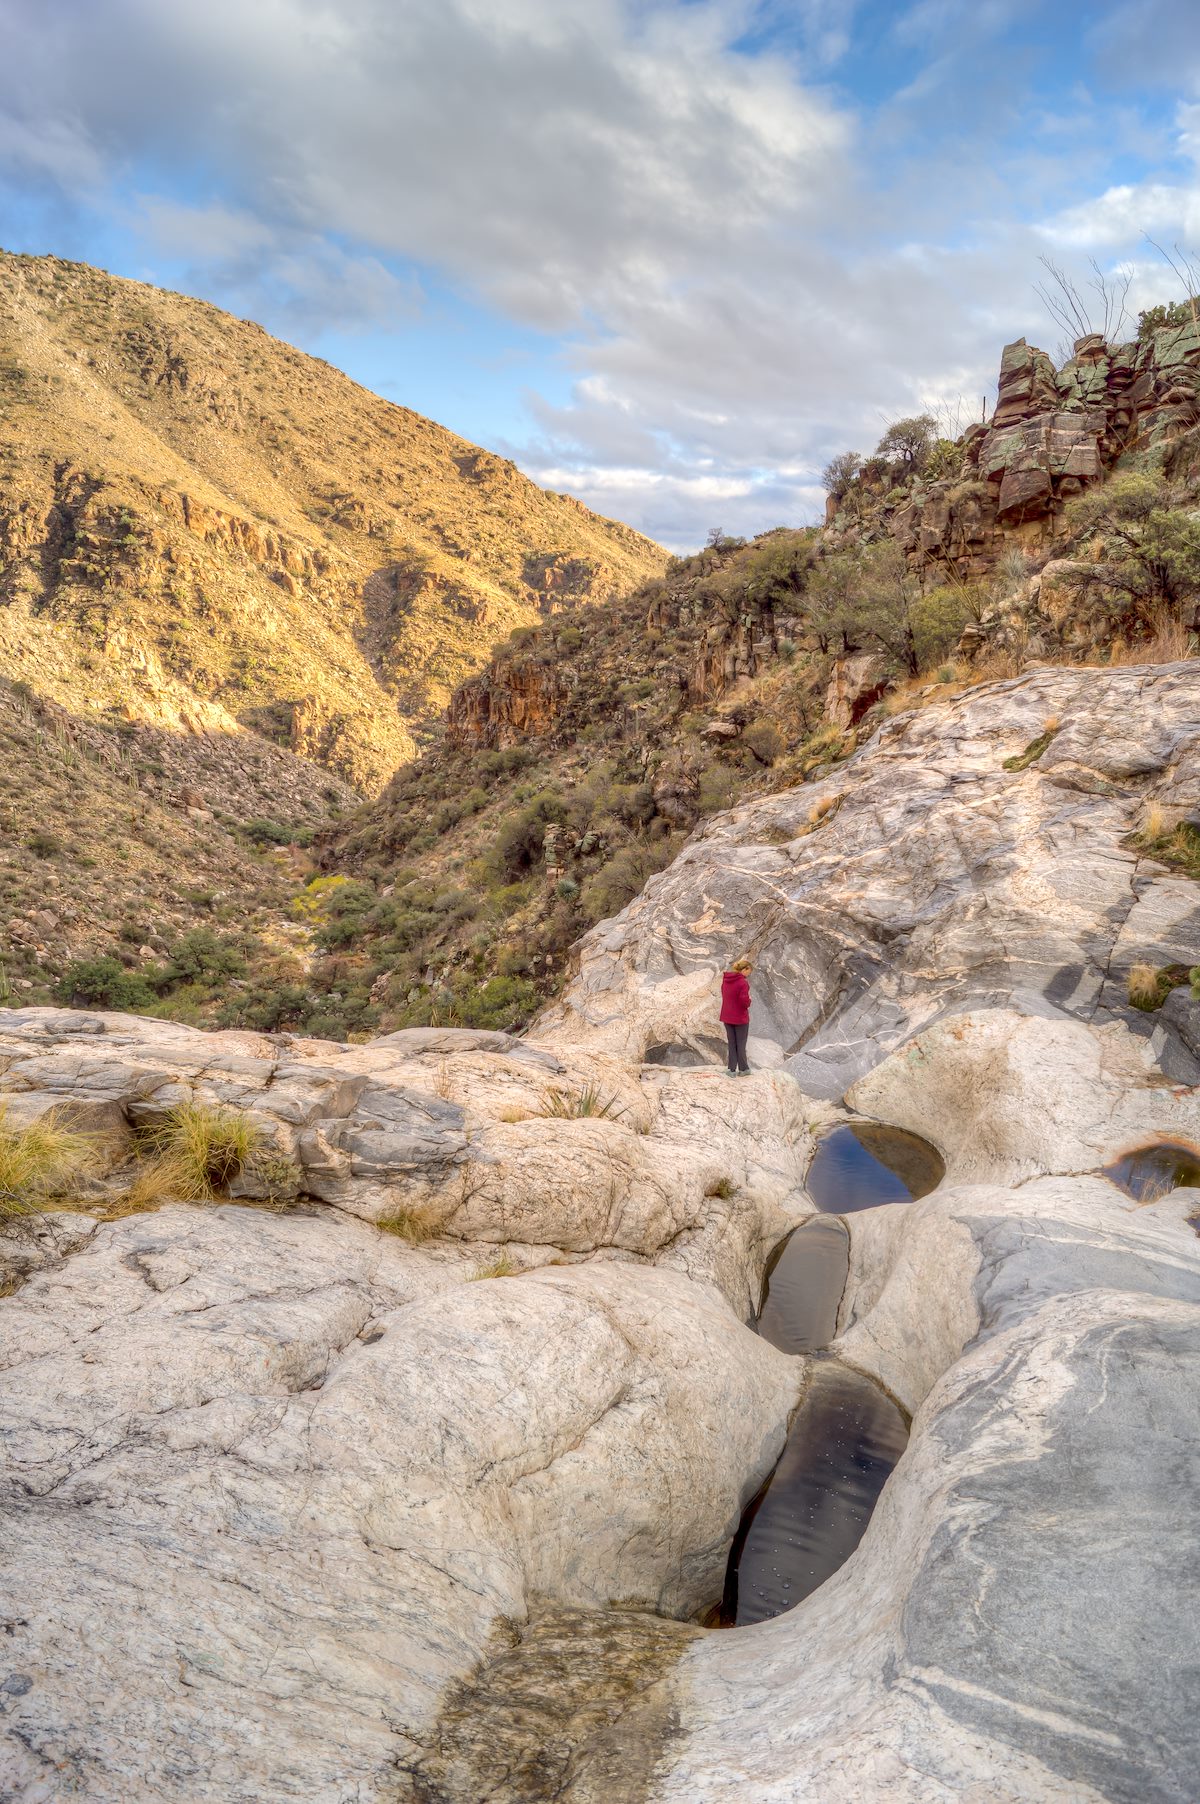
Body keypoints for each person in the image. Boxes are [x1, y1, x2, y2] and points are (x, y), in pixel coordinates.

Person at [719, 956, 753, 1076]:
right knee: (741, 1044)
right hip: (740, 1018)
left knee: (732, 1043)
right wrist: (749, 1001)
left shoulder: (726, 980)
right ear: (745, 969)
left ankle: (731, 1070)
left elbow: (724, 994)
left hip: (727, 1016)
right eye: (749, 971)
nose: (749, 974)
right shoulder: (743, 982)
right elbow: (744, 1001)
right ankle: (743, 1069)